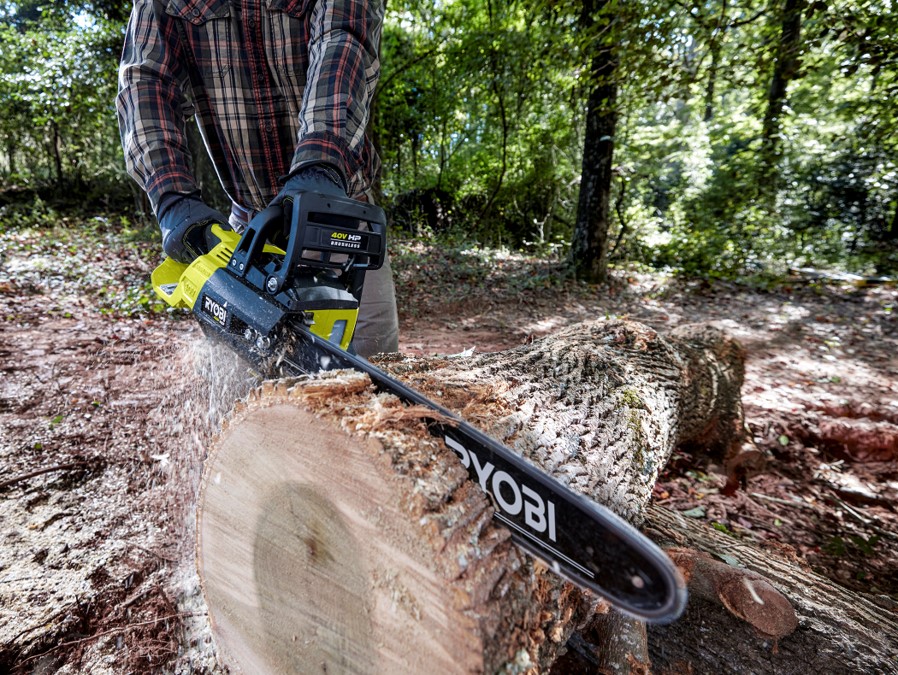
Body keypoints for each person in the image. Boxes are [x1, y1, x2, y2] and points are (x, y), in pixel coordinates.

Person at [115, 0, 399, 357]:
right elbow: (144, 79)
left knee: (374, 382)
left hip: (342, 223)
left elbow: (342, 43)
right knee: (245, 391)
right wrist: (172, 196)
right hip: (248, 230)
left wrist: (320, 162)